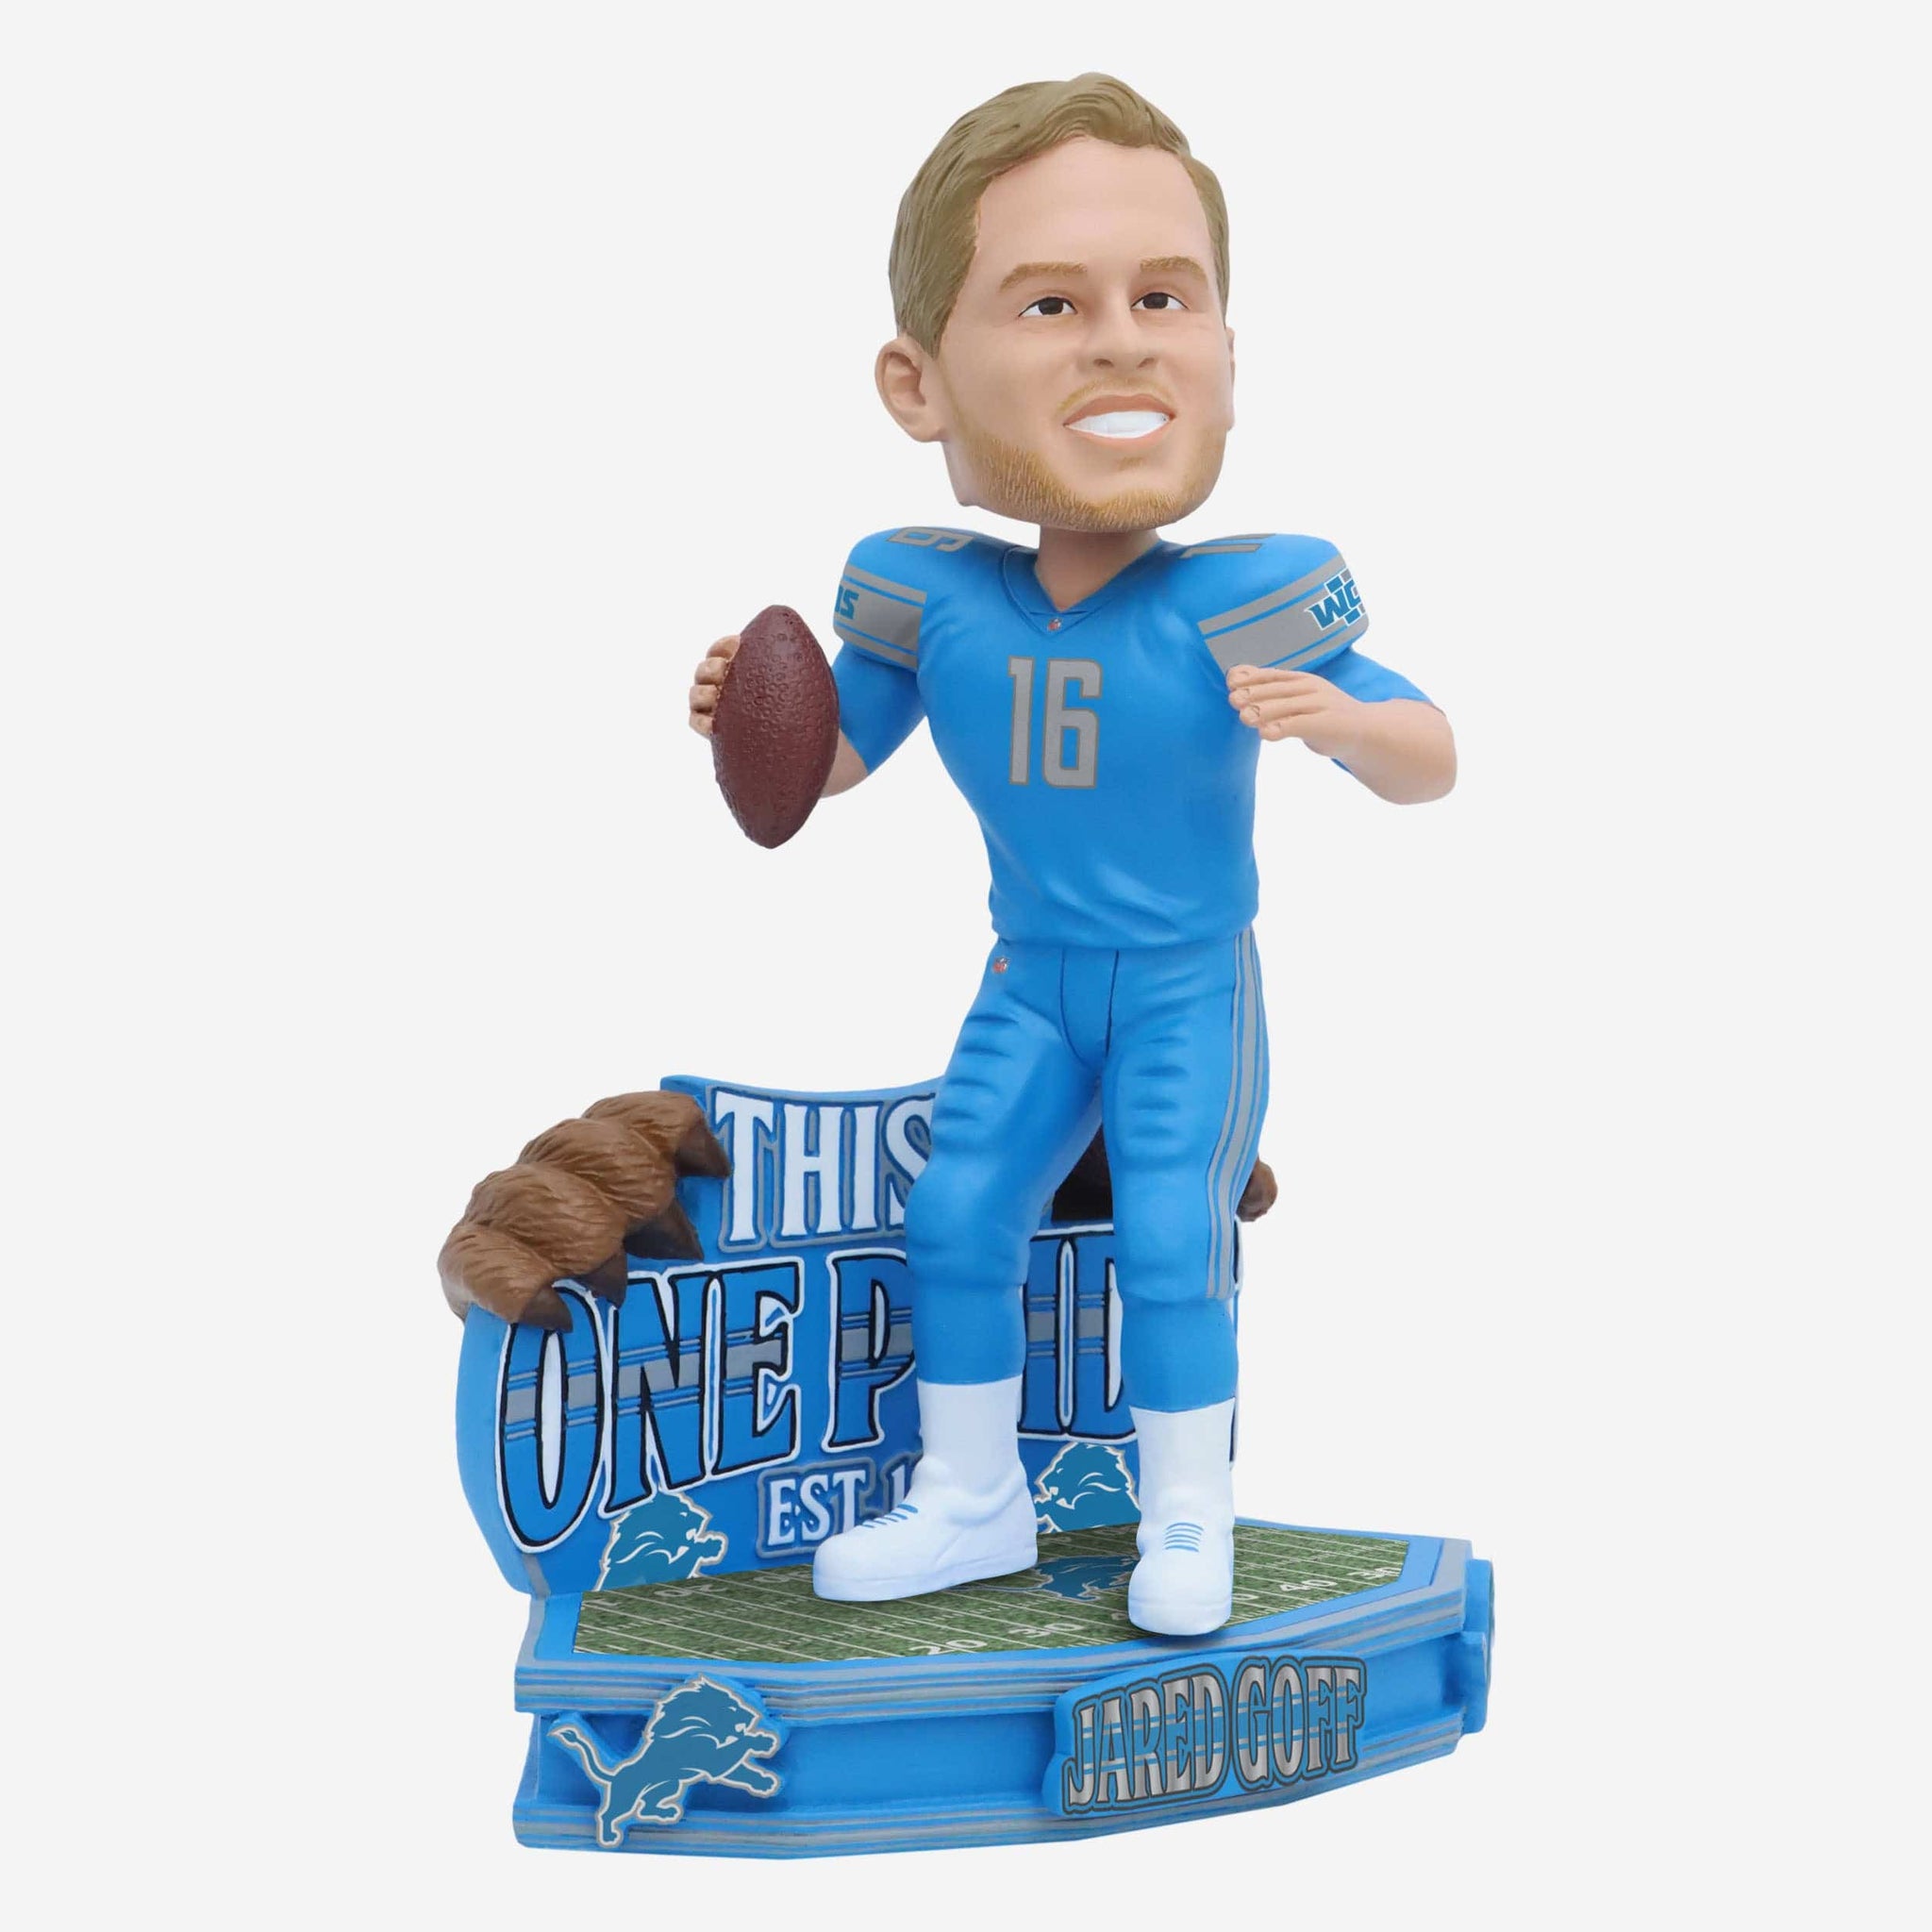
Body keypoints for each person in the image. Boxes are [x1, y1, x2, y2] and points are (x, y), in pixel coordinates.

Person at [688, 75, 1455, 1635]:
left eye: (1162, 297)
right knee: (958, 1214)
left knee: (1172, 1234)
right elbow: (826, 771)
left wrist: (1345, 722)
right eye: (1051, 303)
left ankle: (1187, 1518)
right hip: (1033, 975)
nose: (1120, 341)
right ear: (917, 383)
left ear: (1226, 353)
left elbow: (1431, 754)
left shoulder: (1243, 598)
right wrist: (752, 722)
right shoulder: (928, 597)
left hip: (1183, 984)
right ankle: (974, 1499)